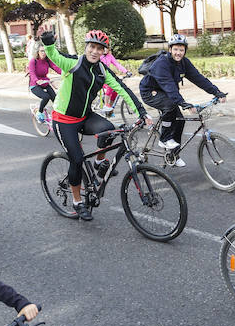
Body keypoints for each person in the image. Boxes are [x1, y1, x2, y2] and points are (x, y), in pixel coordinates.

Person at [41, 29, 149, 221]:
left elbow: (122, 90)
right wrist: (48, 42)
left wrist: (141, 112)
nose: (94, 51)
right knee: (77, 159)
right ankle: (77, 202)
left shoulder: (102, 70)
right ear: (86, 47)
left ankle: (100, 162)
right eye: (92, 47)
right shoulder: (73, 63)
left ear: (104, 52)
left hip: (85, 116)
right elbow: (53, 55)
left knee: (108, 130)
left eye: (99, 49)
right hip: (63, 120)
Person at [139, 33, 226, 167]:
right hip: (150, 92)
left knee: (180, 121)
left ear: (185, 50)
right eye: (175, 49)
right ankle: (164, 138)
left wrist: (217, 92)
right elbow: (169, 86)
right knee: (169, 105)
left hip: (167, 92)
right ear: (170, 49)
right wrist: (183, 103)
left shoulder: (184, 63)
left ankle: (174, 153)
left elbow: (199, 79)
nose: (178, 53)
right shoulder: (161, 63)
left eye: (181, 50)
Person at [27, 44, 61, 122]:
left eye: (45, 51)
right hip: (35, 85)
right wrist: (37, 80)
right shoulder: (33, 61)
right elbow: (32, 73)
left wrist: (65, 73)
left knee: (55, 99)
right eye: (42, 51)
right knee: (46, 97)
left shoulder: (47, 60)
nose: (44, 53)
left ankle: (59, 116)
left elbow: (56, 68)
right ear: (38, 52)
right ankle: (39, 112)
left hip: (45, 83)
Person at [98, 49, 132, 115]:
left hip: (107, 77)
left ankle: (110, 109)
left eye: (107, 48)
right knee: (110, 86)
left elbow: (117, 64)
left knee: (116, 91)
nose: (105, 50)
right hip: (100, 77)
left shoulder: (110, 56)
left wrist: (126, 71)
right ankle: (106, 105)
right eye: (104, 48)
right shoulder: (99, 56)